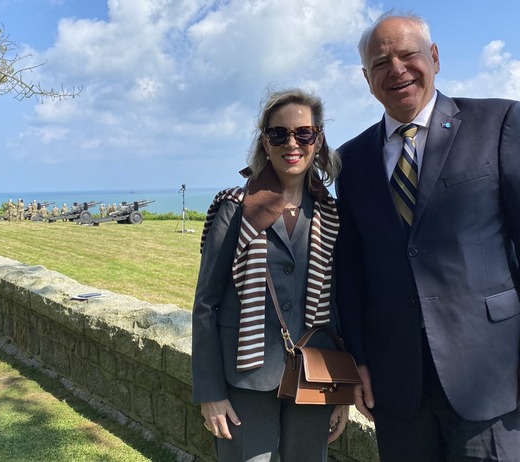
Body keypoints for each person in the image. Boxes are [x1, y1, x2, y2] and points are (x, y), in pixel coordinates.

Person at [335, 11, 520, 461]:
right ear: (367, 78)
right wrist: (358, 361)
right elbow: (351, 273)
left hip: (489, 376)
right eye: (380, 63)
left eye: (408, 54)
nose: (396, 69)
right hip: (397, 384)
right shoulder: (351, 159)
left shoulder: (498, 123)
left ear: (434, 58)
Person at [192, 88, 347, 462]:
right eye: (279, 133)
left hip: (315, 377)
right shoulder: (235, 208)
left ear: (318, 139)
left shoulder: (330, 214)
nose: (291, 143)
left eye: (303, 133)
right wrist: (209, 392)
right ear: (265, 140)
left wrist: (342, 393)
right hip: (245, 377)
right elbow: (206, 305)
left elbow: (339, 306)